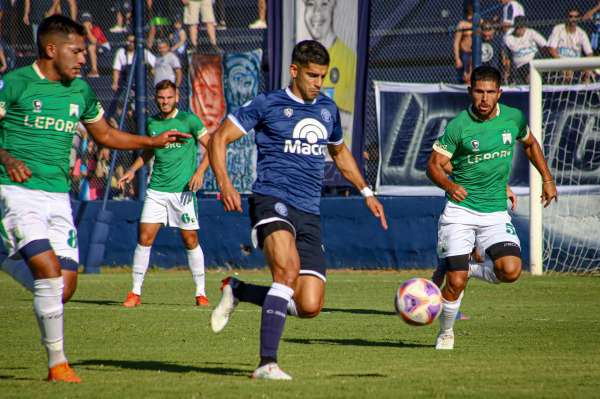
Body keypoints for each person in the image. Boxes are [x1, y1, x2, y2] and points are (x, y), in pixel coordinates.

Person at [0, 15, 189, 382]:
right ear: (51, 49)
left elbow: (104, 134)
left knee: (64, 287)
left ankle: (5, 256)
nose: (83, 58)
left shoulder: (81, 91)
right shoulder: (15, 84)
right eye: (76, 51)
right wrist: (6, 157)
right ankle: (58, 365)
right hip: (14, 190)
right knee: (49, 274)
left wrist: (152, 141)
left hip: (57, 196)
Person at [208, 40, 387, 380]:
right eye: (312, 75)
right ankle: (266, 364)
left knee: (308, 305)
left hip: (309, 210)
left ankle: (238, 290)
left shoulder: (327, 110)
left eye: (322, 76)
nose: (318, 83)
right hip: (271, 198)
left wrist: (366, 191)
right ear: (294, 71)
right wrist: (225, 183)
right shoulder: (267, 103)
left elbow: (340, 153)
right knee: (286, 272)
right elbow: (219, 137)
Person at [426, 65, 557, 350]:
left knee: (511, 270)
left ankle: (469, 268)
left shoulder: (513, 118)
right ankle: (446, 332)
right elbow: (433, 166)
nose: (484, 99)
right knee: (455, 281)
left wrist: (547, 178)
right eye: (478, 92)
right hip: (460, 211)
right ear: (470, 91)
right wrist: (449, 186)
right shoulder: (459, 126)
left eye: (489, 92)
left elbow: (531, 144)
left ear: (499, 93)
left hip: (495, 212)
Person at [119, 79, 210, 308]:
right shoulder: (152, 123)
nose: (165, 101)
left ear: (176, 97)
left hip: (183, 193)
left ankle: (201, 293)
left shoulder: (189, 120)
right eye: (161, 98)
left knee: (190, 240)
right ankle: (135, 293)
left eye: (169, 97)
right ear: (156, 99)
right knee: (144, 238)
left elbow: (214, 146)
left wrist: (199, 172)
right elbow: (149, 151)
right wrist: (132, 170)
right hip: (157, 191)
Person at [302, 0, 356, 148]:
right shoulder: (299, 61)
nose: (316, 13)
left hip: (335, 154)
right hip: (308, 153)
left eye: (324, 4)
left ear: (333, 6)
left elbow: (352, 120)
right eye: (310, 5)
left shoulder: (349, 59)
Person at [503, 16, 547, 84]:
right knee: (531, 78)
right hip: (522, 66)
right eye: (519, 26)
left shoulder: (531, 32)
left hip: (535, 60)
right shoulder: (508, 38)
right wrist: (507, 72)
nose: (521, 29)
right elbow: (506, 58)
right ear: (515, 26)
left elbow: (545, 46)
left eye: (523, 26)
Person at [454, 3, 473, 84]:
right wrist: (457, 58)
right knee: (464, 77)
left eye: (471, 14)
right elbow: (456, 42)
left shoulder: (479, 22)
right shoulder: (462, 25)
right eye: (468, 14)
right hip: (465, 54)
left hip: (475, 54)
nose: (469, 17)